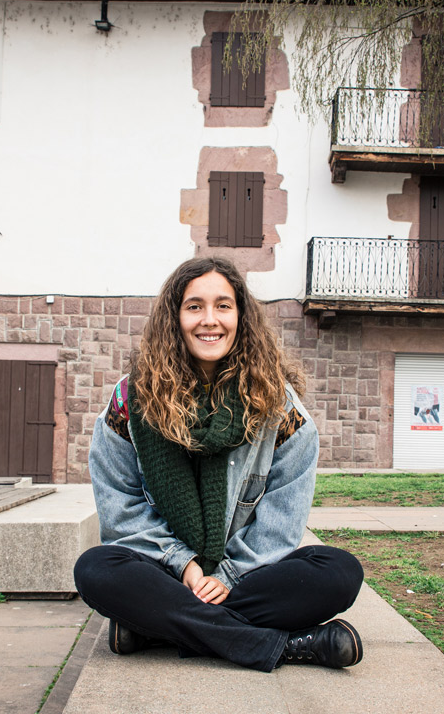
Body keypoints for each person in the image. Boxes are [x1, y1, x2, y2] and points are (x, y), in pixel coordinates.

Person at [73, 257, 365, 672]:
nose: (209, 320)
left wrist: (226, 575)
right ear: (174, 318)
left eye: (223, 306)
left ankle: (158, 627)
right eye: (194, 306)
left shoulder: (279, 408)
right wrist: (185, 567)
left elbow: (281, 523)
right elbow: (121, 511)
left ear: (241, 317)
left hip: (245, 576)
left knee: (338, 572)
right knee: (96, 569)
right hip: (163, 571)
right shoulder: (129, 402)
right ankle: (286, 646)